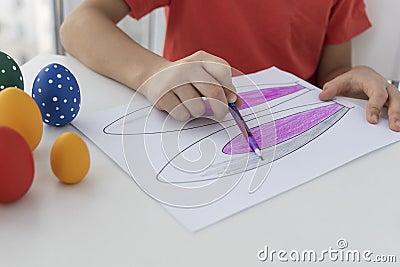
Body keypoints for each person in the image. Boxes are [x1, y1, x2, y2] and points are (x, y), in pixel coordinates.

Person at [60, 0, 400, 131]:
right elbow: (79, 25)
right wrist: (153, 73)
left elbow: (334, 72)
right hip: (188, 123)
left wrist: (360, 77)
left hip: (290, 136)